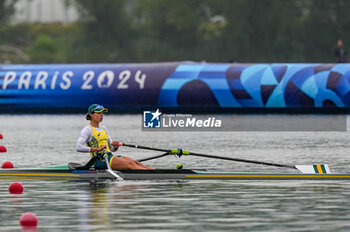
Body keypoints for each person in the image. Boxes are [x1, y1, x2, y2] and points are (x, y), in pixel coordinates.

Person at [76, 104, 153, 170]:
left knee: (135, 162)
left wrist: (115, 147)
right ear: (91, 115)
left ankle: (154, 170)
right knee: (131, 165)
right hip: (100, 161)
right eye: (99, 113)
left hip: (109, 157)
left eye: (102, 113)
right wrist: (97, 149)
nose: (101, 115)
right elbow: (78, 147)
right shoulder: (87, 130)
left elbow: (112, 149)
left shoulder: (104, 129)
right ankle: (153, 175)